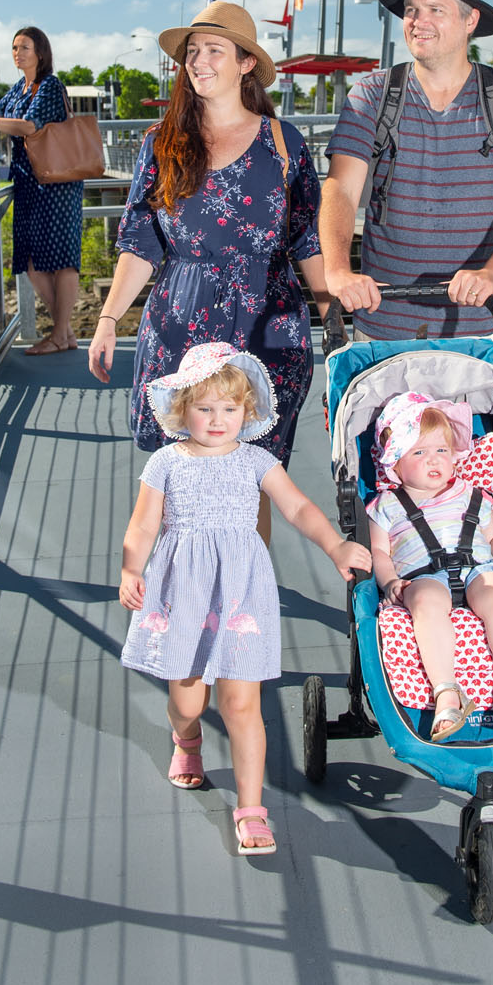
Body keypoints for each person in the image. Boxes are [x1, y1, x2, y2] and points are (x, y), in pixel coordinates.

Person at [89, 2, 328, 543]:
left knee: (258, 471)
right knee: (184, 475)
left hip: (269, 326)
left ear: (247, 64)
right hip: (181, 321)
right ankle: (185, 596)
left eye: (213, 50)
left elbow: (307, 238)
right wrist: (108, 320)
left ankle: (247, 601)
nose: (198, 61)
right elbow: (140, 242)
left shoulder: (284, 143)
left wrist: (333, 320)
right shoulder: (161, 144)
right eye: (192, 52)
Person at [119, 343, 370, 853]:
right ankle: (186, 739)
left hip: (240, 592)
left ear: (247, 411)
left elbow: (298, 508)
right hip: (184, 590)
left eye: (229, 409)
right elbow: (144, 523)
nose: (217, 419)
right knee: (187, 700)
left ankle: (251, 810)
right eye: (204, 408)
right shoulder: (166, 461)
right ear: (181, 409)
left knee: (241, 703)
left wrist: (336, 545)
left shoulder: (257, 460)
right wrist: (130, 567)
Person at [319, 0, 493, 362]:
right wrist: (337, 270)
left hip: (490, 332)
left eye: (435, 10)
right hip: (386, 332)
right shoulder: (371, 95)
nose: (417, 20)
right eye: (411, 10)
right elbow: (340, 188)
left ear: (470, 20)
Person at [368, 391, 493, 742]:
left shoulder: (469, 493)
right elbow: (380, 553)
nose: (434, 460)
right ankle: (447, 691)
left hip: (477, 567)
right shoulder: (386, 505)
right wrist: (389, 582)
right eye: (419, 452)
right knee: (426, 604)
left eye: (442, 451)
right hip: (422, 576)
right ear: (395, 463)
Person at [0, 26, 82, 356]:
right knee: (31, 259)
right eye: (14, 47)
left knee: (63, 260)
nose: (18, 53)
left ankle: (60, 334)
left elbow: (29, 126)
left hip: (57, 183)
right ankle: (65, 332)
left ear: (41, 53)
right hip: (28, 182)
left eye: (25, 47)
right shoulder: (20, 88)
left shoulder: (50, 85)